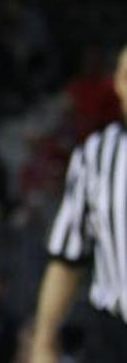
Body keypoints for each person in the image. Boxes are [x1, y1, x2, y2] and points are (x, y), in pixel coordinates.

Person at [30, 45, 127, 363]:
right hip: (115, 337)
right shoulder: (95, 156)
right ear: (117, 83)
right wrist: (43, 343)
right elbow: (66, 259)